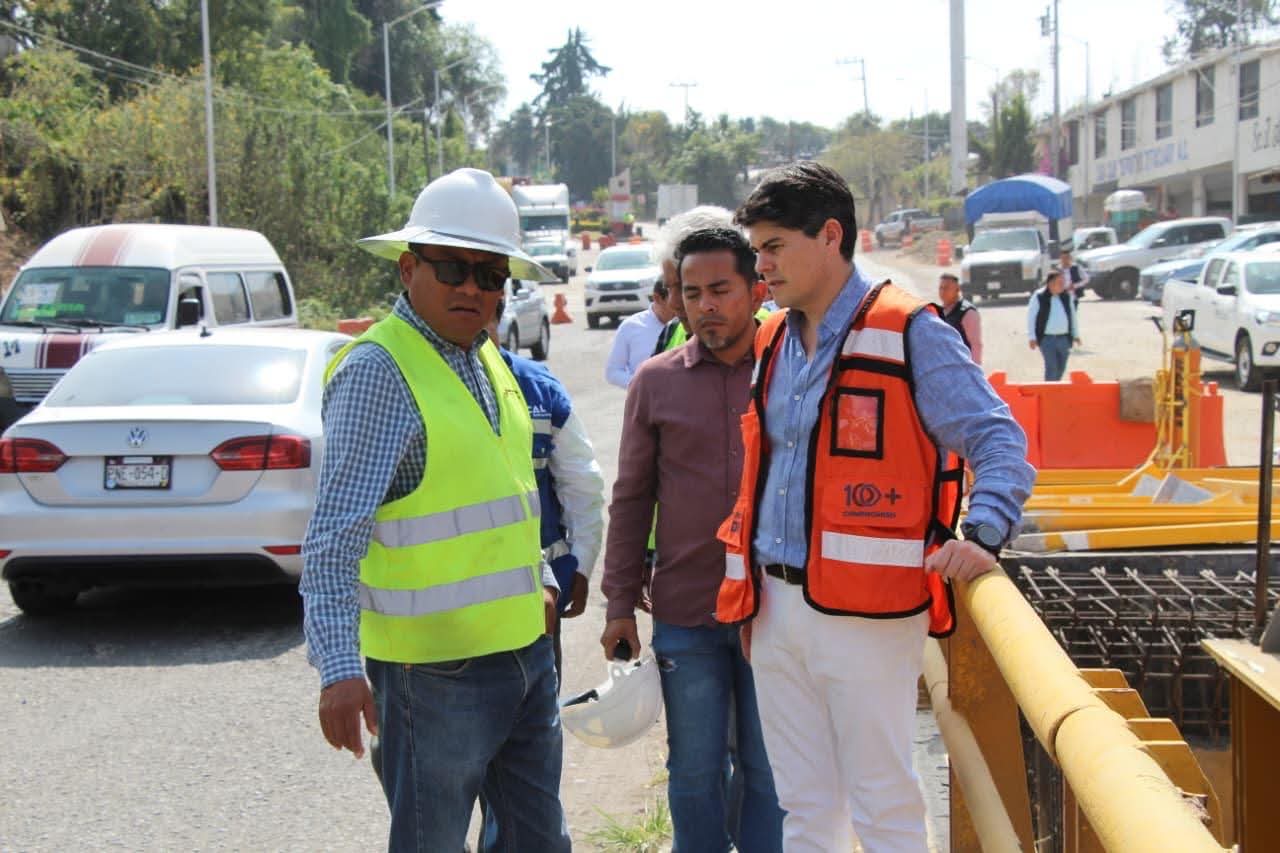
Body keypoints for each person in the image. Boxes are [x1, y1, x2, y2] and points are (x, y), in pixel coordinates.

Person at [715, 162, 1035, 853]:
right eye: (757, 250)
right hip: (773, 608)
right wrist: (756, 602)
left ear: (830, 236)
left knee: (882, 803)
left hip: (869, 615)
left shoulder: (909, 329)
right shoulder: (772, 339)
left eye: (774, 247)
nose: (760, 266)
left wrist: (983, 533)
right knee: (804, 808)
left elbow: (999, 438)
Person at [299, 168, 570, 853]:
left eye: (491, 274)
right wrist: (338, 668)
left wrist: (539, 577)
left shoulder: (486, 358)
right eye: (453, 268)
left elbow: (506, 492)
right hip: (433, 678)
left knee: (539, 842)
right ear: (408, 268)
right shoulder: (378, 371)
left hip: (524, 658)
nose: (473, 288)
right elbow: (334, 539)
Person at [600, 226, 785, 853]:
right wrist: (619, 605)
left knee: (768, 771)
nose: (706, 305)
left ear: (757, 290)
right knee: (695, 771)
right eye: (691, 292)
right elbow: (631, 498)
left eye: (720, 290)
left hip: (775, 612)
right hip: (687, 611)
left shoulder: (791, 369)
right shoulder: (655, 382)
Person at [488, 299, 606, 678]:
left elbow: (581, 482)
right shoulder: (418, 387)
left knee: (537, 706)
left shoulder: (538, 388)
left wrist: (581, 566)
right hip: (449, 617)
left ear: (497, 316)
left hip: (540, 601)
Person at [651, 206, 736, 355]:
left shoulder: (773, 338)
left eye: (687, 288)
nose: (673, 303)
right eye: (668, 288)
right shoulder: (672, 331)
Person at [604, 280, 675, 388]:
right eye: (673, 302)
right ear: (657, 298)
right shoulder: (631, 326)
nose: (679, 307)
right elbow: (613, 372)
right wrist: (642, 385)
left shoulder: (689, 326)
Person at [1028, 269, 1081, 381]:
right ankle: (1049, 390)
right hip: (1047, 340)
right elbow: (1031, 318)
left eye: (1063, 282)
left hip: (1064, 339)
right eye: (1059, 283)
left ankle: (1055, 387)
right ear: (1050, 283)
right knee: (1051, 368)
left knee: (1061, 368)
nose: (1062, 285)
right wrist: (1032, 337)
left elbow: (1072, 316)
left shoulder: (1066, 296)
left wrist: (1075, 335)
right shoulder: (1039, 296)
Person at [936, 272, 983, 364]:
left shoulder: (968, 313)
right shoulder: (939, 311)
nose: (942, 292)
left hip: (963, 366)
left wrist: (974, 369)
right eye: (941, 288)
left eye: (947, 288)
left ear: (957, 290)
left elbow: (976, 345)